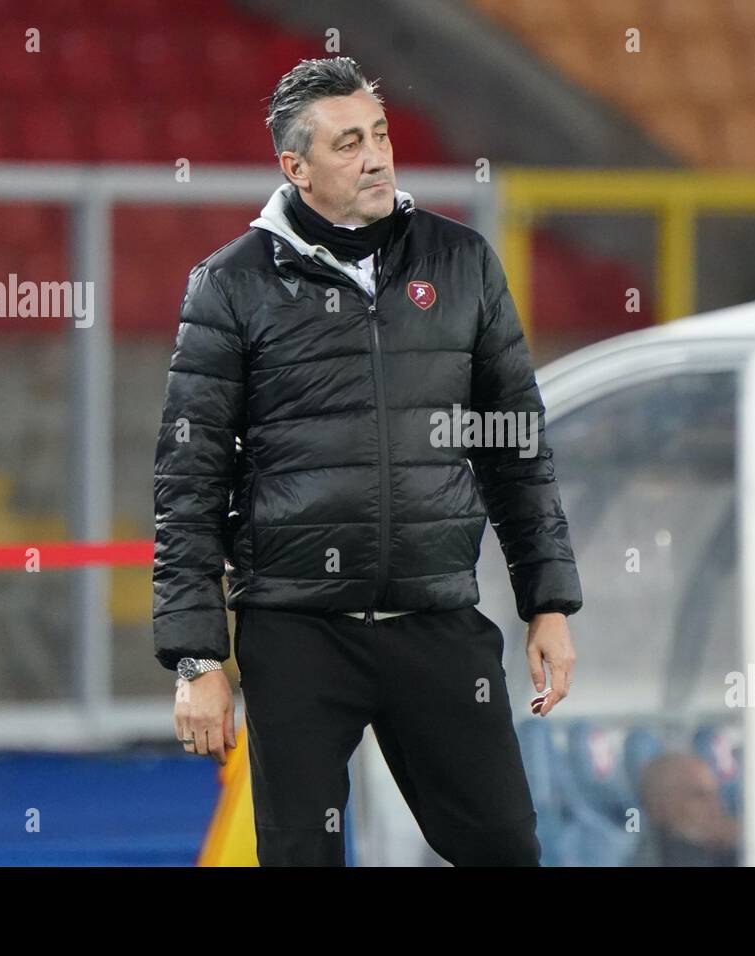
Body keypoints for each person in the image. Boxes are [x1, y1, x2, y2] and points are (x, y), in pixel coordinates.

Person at [150, 57, 582, 866]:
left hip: (438, 621)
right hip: (296, 630)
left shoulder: (463, 262)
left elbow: (517, 446)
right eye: (349, 144)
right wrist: (198, 658)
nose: (377, 156)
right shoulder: (228, 285)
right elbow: (188, 483)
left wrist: (548, 602)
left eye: (380, 134)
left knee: (506, 851)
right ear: (296, 167)